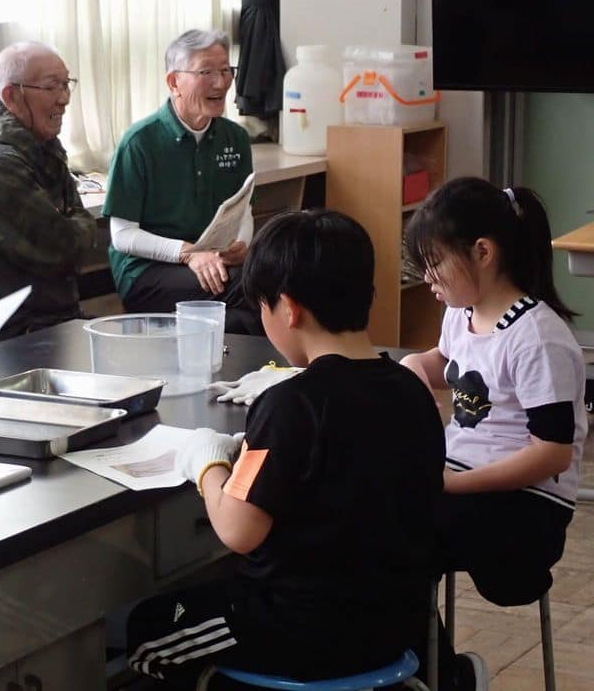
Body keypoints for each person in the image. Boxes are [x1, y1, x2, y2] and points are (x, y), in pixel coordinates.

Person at [126, 210, 448, 689]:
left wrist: (208, 463)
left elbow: (237, 530)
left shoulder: (290, 404)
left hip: (299, 634)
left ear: (289, 309)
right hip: (396, 625)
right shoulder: (412, 391)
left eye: (262, 306)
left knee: (147, 629)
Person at [400, 178, 588, 683]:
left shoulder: (537, 338)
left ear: (482, 252)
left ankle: (443, 678)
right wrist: (415, 366)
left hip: (527, 510)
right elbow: (446, 364)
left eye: (435, 263)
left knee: (394, 534)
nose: (427, 278)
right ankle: (431, 672)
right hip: (467, 484)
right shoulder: (461, 314)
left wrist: (451, 483)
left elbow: (552, 454)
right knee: (379, 521)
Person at [103, 29, 258, 334]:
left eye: (225, 70)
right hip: (147, 272)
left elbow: (244, 210)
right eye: (206, 72)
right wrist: (187, 253)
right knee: (251, 288)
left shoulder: (235, 137)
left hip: (214, 261)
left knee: (255, 301)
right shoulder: (139, 142)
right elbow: (122, 235)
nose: (220, 82)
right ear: (174, 82)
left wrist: (241, 243)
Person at [0, 41, 97, 341]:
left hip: (49, 315)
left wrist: (78, 226)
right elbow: (64, 248)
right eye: (51, 87)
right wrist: (80, 227)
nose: (64, 99)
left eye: (66, 84)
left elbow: (76, 223)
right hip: (8, 330)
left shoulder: (40, 140)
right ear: (12, 96)